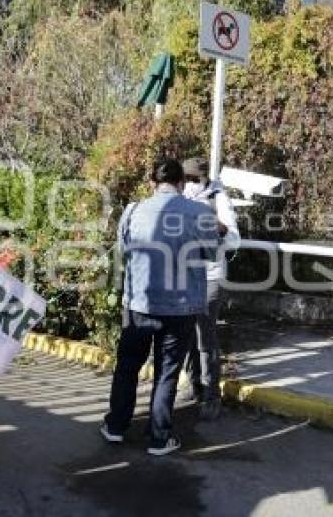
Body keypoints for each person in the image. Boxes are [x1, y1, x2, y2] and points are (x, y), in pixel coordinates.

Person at [101, 157, 219, 456]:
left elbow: (124, 249)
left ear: (153, 184)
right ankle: (158, 437)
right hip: (180, 307)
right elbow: (212, 253)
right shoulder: (200, 212)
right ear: (181, 184)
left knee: (127, 367)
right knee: (166, 373)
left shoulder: (133, 211)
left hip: (139, 303)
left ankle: (115, 426)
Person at [179, 157, 241, 420]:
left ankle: (212, 395)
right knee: (188, 335)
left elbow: (235, 240)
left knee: (206, 337)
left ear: (203, 178)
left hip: (210, 277)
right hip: (185, 276)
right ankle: (195, 385)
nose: (188, 184)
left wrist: (218, 227)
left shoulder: (219, 199)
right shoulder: (181, 198)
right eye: (186, 179)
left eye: (193, 179)